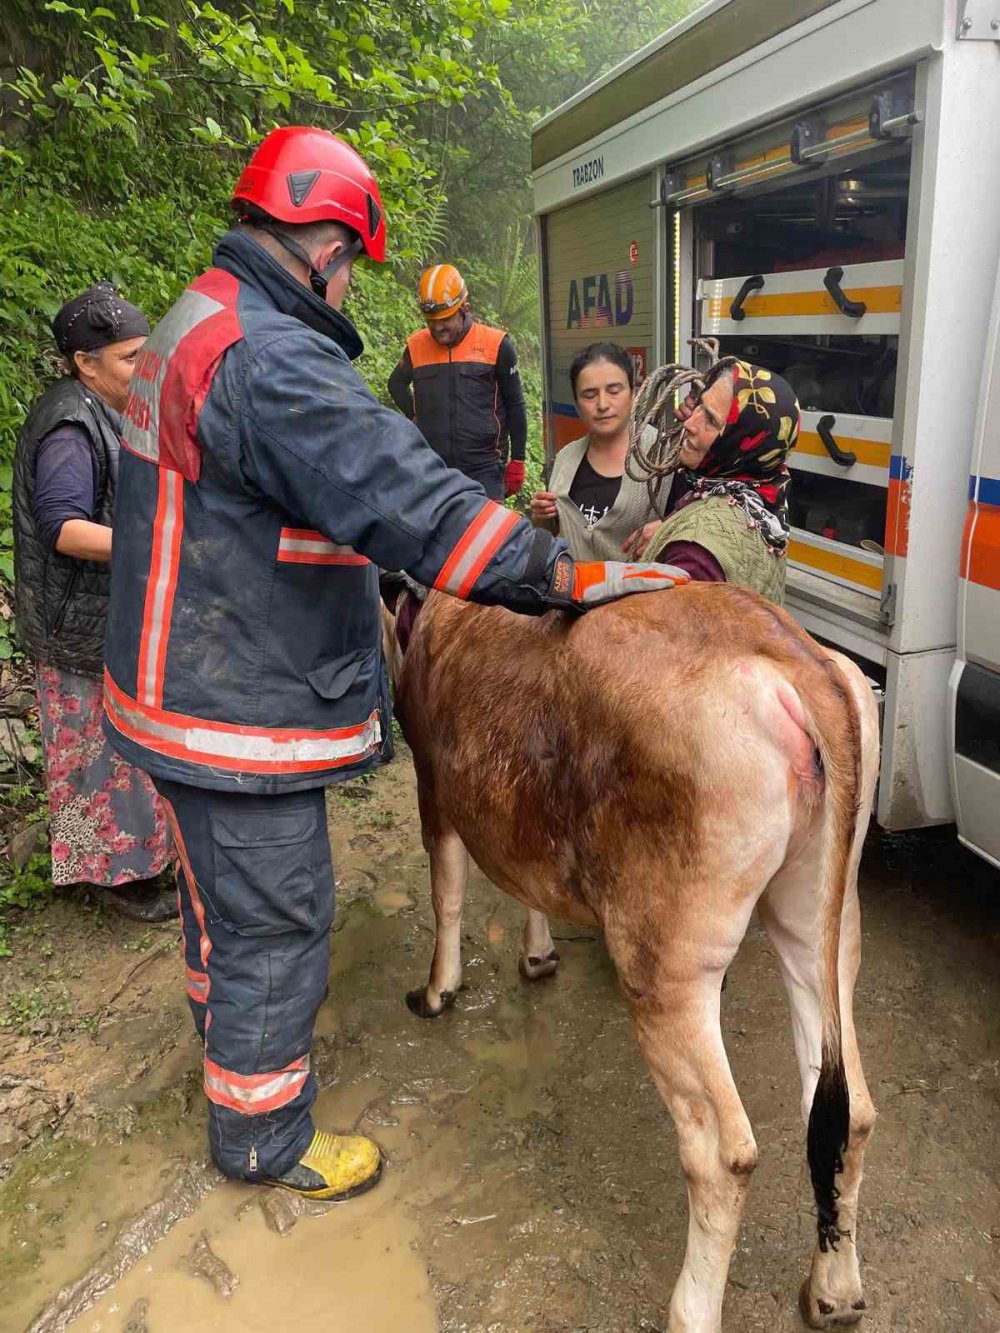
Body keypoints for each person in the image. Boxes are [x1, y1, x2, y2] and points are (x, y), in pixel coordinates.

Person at [101, 126, 688, 1204]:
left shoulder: (198, 318)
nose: (351, 280)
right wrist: (567, 580)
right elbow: (413, 505)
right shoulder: (271, 360)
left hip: (168, 679)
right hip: (231, 697)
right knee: (278, 914)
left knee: (220, 897)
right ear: (324, 239)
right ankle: (264, 1136)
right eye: (351, 260)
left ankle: (222, 1034)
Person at [12, 284, 177, 923]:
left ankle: (137, 862)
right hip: (74, 626)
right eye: (132, 358)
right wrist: (159, 544)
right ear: (86, 362)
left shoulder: (106, 409)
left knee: (122, 751)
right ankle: (116, 879)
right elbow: (64, 527)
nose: (144, 370)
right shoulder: (70, 422)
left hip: (103, 615)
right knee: (94, 758)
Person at [625, 358, 800, 604]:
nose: (689, 423)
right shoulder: (764, 496)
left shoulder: (694, 555)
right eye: (700, 406)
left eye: (711, 419)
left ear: (740, 443)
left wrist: (676, 539)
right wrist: (672, 527)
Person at [387, 263, 527, 502]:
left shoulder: (496, 345)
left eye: (445, 319)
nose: (438, 327)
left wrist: (518, 460)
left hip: (485, 469)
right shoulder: (416, 346)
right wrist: (415, 414)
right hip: (433, 468)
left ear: (465, 308)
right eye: (431, 321)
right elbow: (396, 384)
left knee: (487, 539)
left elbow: (515, 404)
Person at [529, 343, 670, 559]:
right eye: (589, 395)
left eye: (614, 391)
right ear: (576, 404)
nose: (603, 404)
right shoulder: (565, 459)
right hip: (574, 589)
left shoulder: (664, 455)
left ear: (634, 394)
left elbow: (699, 521)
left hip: (645, 591)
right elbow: (552, 536)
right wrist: (542, 517)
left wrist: (670, 528)